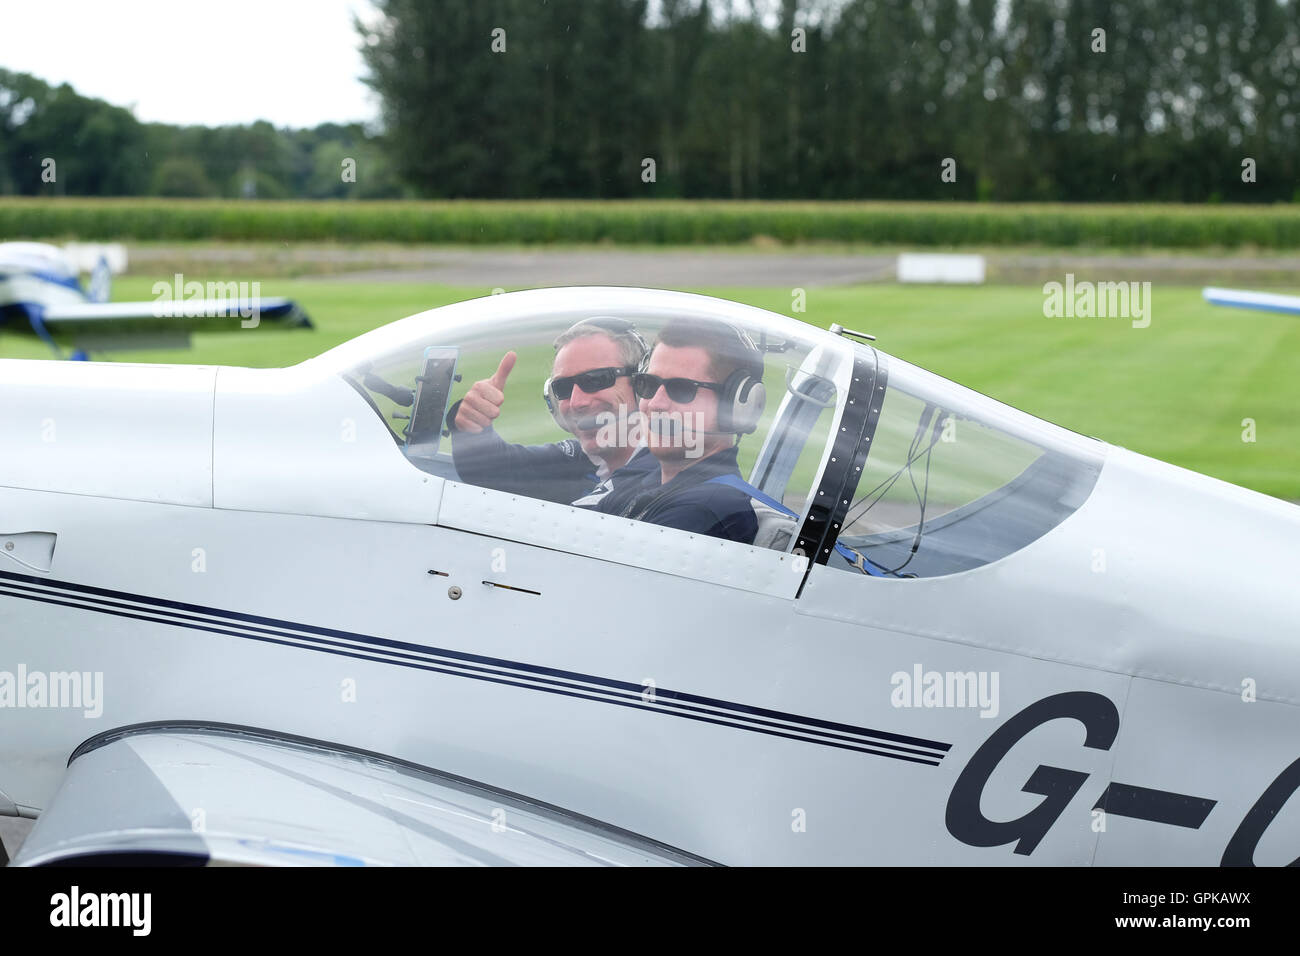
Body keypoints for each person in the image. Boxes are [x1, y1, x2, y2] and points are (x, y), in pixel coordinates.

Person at [591, 318, 769, 544]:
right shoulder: (642, 476)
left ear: (737, 406)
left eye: (681, 389)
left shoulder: (706, 510)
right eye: (649, 384)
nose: (655, 403)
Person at [447, 317, 656, 504]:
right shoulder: (586, 462)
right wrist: (473, 427)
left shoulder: (666, 473)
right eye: (563, 388)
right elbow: (494, 468)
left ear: (641, 385)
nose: (576, 402)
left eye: (596, 380)